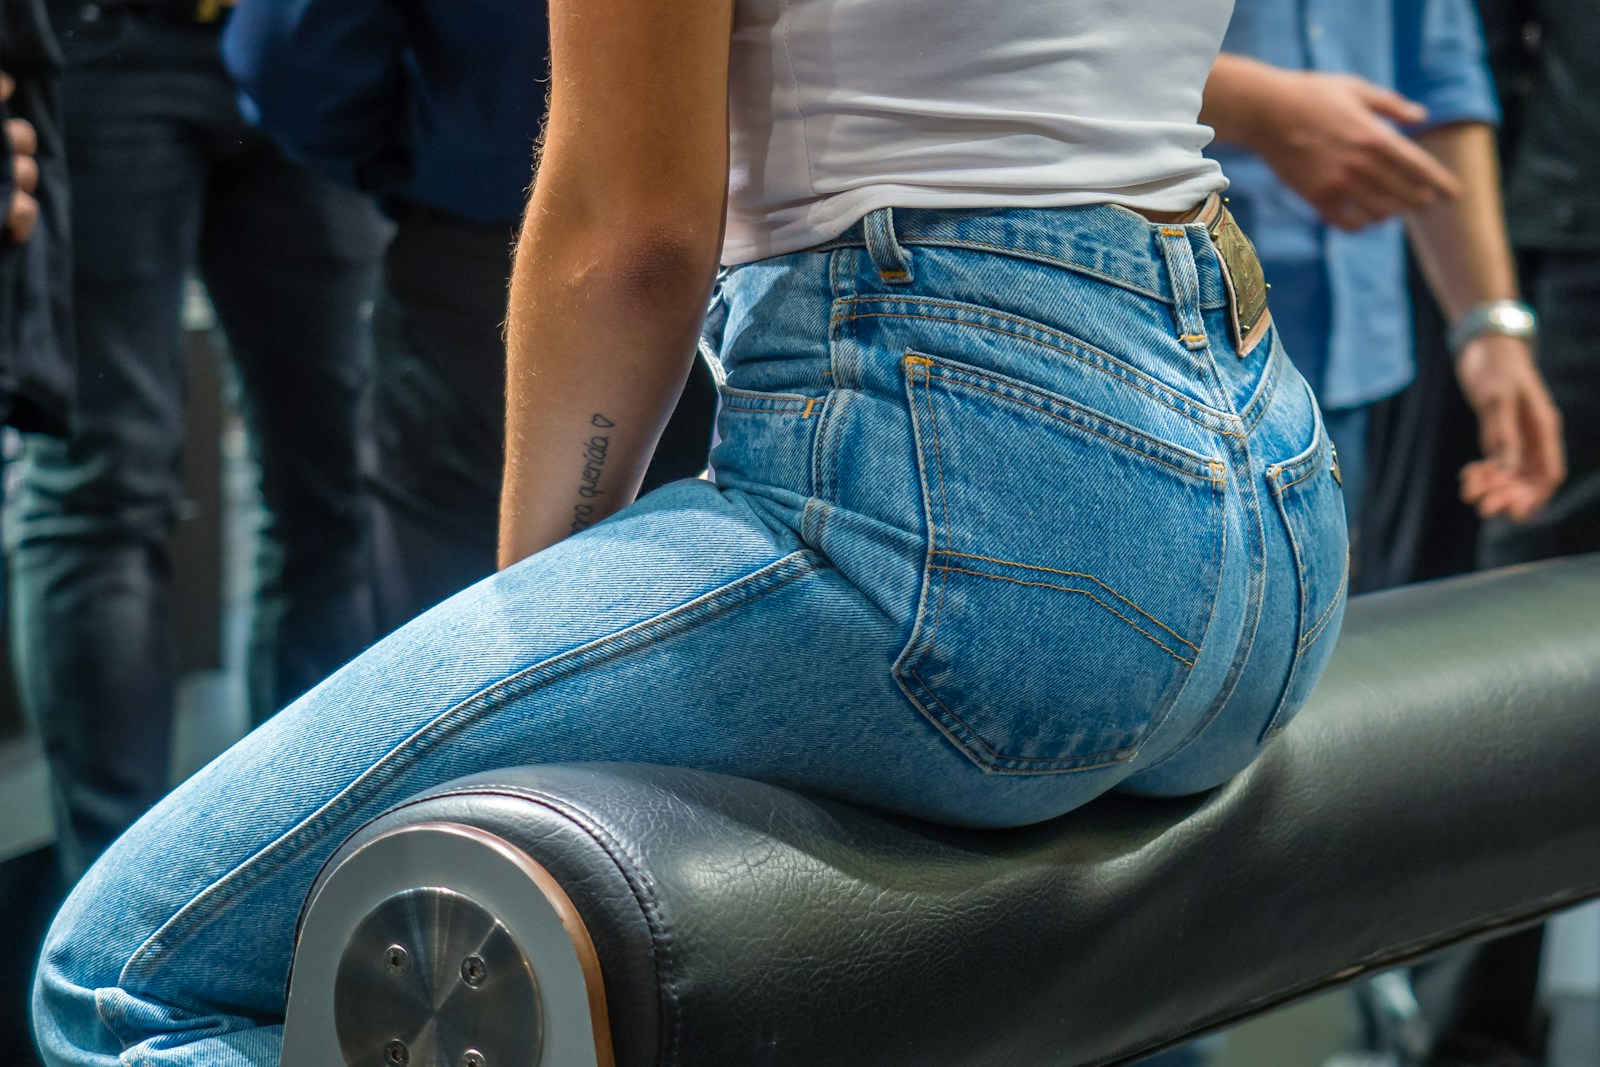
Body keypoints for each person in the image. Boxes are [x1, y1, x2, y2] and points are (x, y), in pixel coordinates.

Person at [30, 1, 1349, 1062]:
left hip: (957, 512)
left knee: (126, 974)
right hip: (1270, 518)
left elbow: (631, 234)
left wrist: (538, 609)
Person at [4, 0, 391, 884]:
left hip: (306, 39)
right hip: (92, 42)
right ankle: (108, 920)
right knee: (100, 483)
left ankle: (303, 886)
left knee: (335, 488)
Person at [220, 0, 719, 635]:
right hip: (741, 269)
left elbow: (290, 58)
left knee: (458, 648)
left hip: (486, 237)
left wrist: (413, 154)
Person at [1199, 0, 1564, 537]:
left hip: (1348, 364)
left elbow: (1438, 82)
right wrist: (1254, 106)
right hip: (1152, 349)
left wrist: (1488, 328)